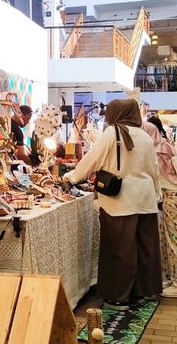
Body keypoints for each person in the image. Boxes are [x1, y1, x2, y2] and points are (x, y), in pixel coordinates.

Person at [63, 99, 162, 310]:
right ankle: (139, 293)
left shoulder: (113, 132)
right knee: (144, 249)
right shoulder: (144, 135)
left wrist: (71, 177)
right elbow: (154, 171)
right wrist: (158, 197)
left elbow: (92, 160)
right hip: (146, 200)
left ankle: (119, 297)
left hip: (120, 201)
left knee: (119, 249)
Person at [144, 118, 177, 299]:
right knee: (168, 240)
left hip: (174, 198)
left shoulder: (156, 151)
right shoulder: (164, 145)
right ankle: (170, 279)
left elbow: (155, 177)